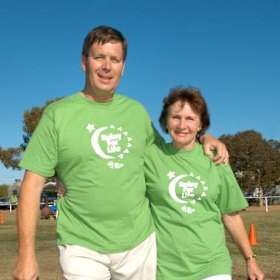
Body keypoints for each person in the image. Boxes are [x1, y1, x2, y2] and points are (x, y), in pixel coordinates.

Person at [12, 26, 228, 280]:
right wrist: (26, 256)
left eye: (115, 59)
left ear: (123, 67)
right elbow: (31, 184)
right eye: (99, 57)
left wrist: (205, 137)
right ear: (84, 62)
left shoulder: (136, 113)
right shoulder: (58, 115)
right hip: (81, 245)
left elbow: (172, 150)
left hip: (139, 245)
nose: (107, 66)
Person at [144, 87, 264, 280]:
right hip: (163, 269)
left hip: (212, 265)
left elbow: (231, 215)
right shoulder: (150, 157)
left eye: (190, 118)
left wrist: (250, 260)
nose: (182, 125)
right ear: (166, 121)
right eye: (175, 117)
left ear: (201, 125)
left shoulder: (215, 159)